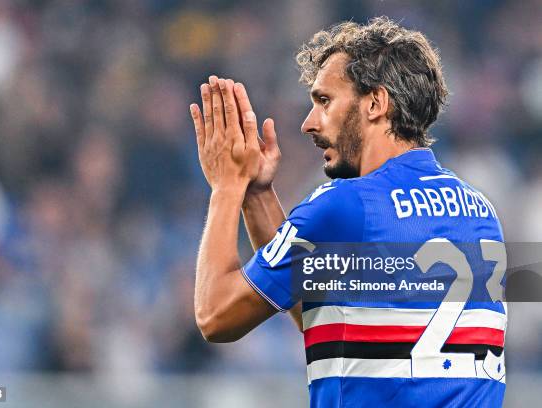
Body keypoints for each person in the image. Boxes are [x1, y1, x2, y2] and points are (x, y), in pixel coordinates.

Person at [188, 17, 506, 408]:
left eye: (325, 101)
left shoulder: (347, 204)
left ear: (375, 103)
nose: (308, 123)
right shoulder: (480, 212)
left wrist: (226, 187)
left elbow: (216, 315)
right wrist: (257, 193)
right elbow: (334, 322)